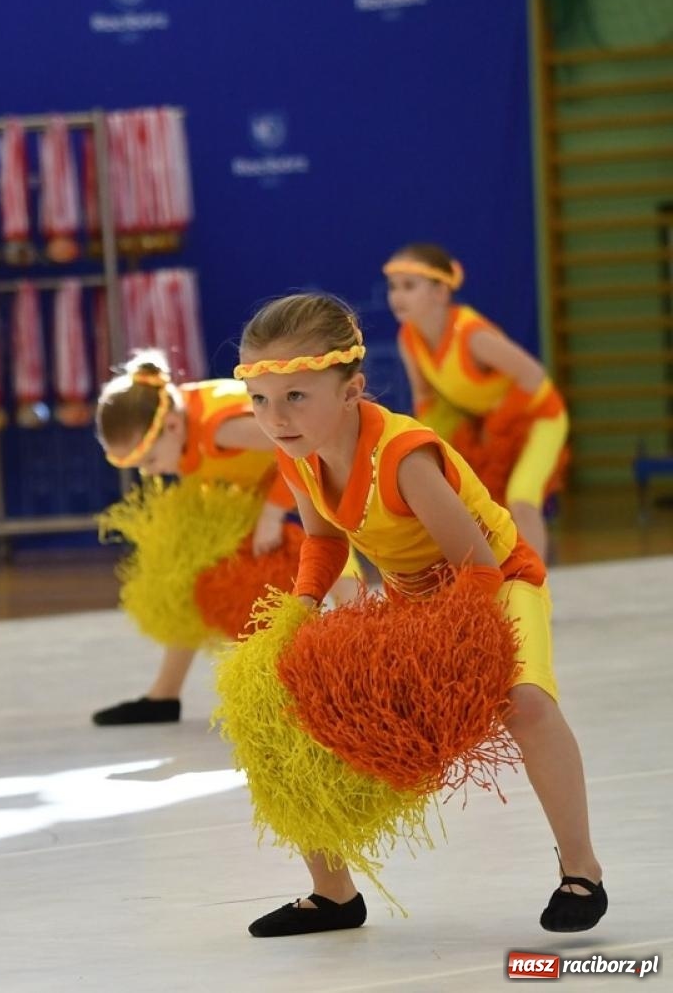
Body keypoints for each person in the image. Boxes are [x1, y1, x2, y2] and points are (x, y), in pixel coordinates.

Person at [233, 292, 604, 937]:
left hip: (494, 583)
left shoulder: (403, 457)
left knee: (525, 703)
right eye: (260, 400)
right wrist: (300, 610)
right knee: (287, 698)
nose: (276, 417)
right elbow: (323, 539)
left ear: (352, 390)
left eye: (295, 396)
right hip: (417, 599)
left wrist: (443, 652)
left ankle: (582, 870)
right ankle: (333, 894)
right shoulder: (294, 452)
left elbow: (478, 568)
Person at [91, 352, 362, 726]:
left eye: (149, 461)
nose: (149, 472)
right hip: (263, 487)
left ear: (172, 426)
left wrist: (272, 513)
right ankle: (165, 694)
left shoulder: (222, 428)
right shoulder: (176, 418)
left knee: (337, 571)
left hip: (316, 475)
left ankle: (361, 669)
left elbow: (305, 449)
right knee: (188, 572)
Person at [387, 243, 568, 557]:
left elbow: (533, 375)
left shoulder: (472, 335)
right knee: (469, 501)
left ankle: (534, 579)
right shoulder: (408, 337)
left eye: (408, 286)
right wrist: (424, 449)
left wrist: (496, 427)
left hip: (540, 418)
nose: (397, 296)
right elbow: (426, 398)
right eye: (392, 287)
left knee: (522, 499)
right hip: (486, 425)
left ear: (441, 292)